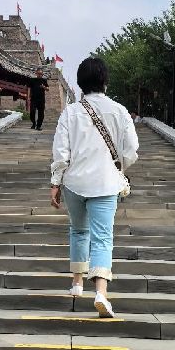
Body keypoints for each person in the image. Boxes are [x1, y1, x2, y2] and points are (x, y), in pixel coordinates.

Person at [49, 56, 139, 318]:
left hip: (74, 183)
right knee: (102, 238)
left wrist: (55, 182)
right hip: (105, 183)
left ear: (80, 83)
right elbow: (131, 148)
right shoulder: (119, 111)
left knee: (79, 231)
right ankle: (100, 293)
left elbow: (61, 151)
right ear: (105, 81)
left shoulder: (70, 112)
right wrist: (119, 166)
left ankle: (77, 283)